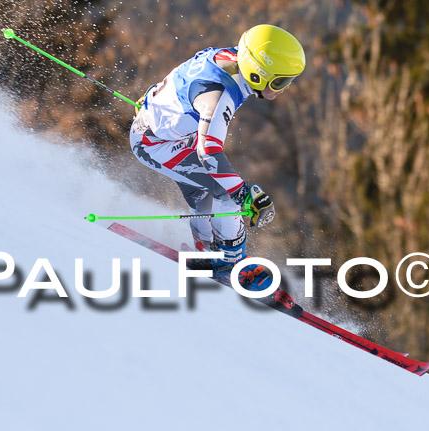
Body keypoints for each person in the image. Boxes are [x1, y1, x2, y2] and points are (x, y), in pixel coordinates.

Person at [129, 24, 305, 287]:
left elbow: (185, 74)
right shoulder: (220, 94)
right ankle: (229, 264)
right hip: (155, 143)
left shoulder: (229, 57)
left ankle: (205, 248)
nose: (286, 88)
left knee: (204, 191)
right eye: (281, 81)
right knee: (226, 192)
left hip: (167, 131)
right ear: (257, 75)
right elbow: (209, 153)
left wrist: (155, 98)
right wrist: (244, 194)